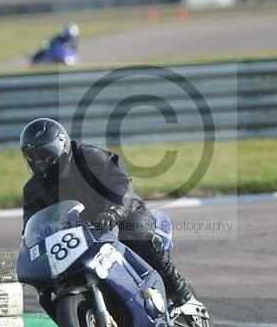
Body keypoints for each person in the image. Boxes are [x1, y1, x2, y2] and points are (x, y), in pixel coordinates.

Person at [19, 118, 193, 308]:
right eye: (33, 156)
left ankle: (180, 291)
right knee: (48, 287)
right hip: (80, 232)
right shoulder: (33, 189)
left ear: (61, 146)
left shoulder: (89, 157)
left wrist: (114, 211)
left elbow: (122, 184)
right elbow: (31, 227)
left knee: (139, 236)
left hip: (121, 214)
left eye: (45, 154)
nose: (40, 161)